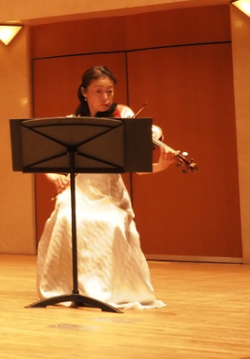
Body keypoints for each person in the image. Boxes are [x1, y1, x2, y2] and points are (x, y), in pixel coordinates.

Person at [36, 65, 177, 309]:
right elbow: (44, 160)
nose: (106, 98)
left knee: (111, 223)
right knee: (67, 219)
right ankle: (69, 287)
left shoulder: (123, 119)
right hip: (78, 191)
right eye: (98, 91)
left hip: (110, 194)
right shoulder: (71, 124)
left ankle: (107, 288)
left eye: (110, 91)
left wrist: (160, 167)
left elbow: (137, 167)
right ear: (84, 92)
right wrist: (53, 176)